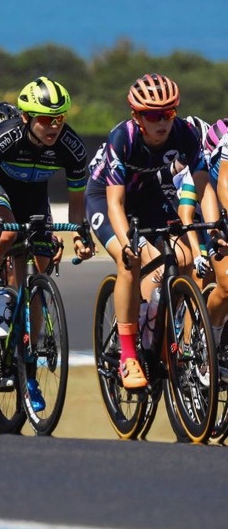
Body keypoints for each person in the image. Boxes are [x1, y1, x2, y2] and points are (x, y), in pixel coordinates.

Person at [0, 77, 93, 409]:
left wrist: (80, 234)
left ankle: (28, 368)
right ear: (26, 117)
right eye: (45, 119)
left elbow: (77, 203)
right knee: (5, 235)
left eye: (59, 119)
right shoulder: (3, 139)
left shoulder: (72, 146)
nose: (53, 126)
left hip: (34, 199)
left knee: (39, 269)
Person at [88, 74, 212, 390]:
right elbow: (115, 203)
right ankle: (128, 352)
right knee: (130, 262)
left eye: (168, 113)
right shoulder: (123, 138)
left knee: (182, 258)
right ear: (137, 116)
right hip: (106, 198)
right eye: (153, 115)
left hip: (147, 195)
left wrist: (201, 225)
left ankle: (156, 322)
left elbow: (201, 183)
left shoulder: (183, 133)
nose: (162, 122)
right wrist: (128, 241)